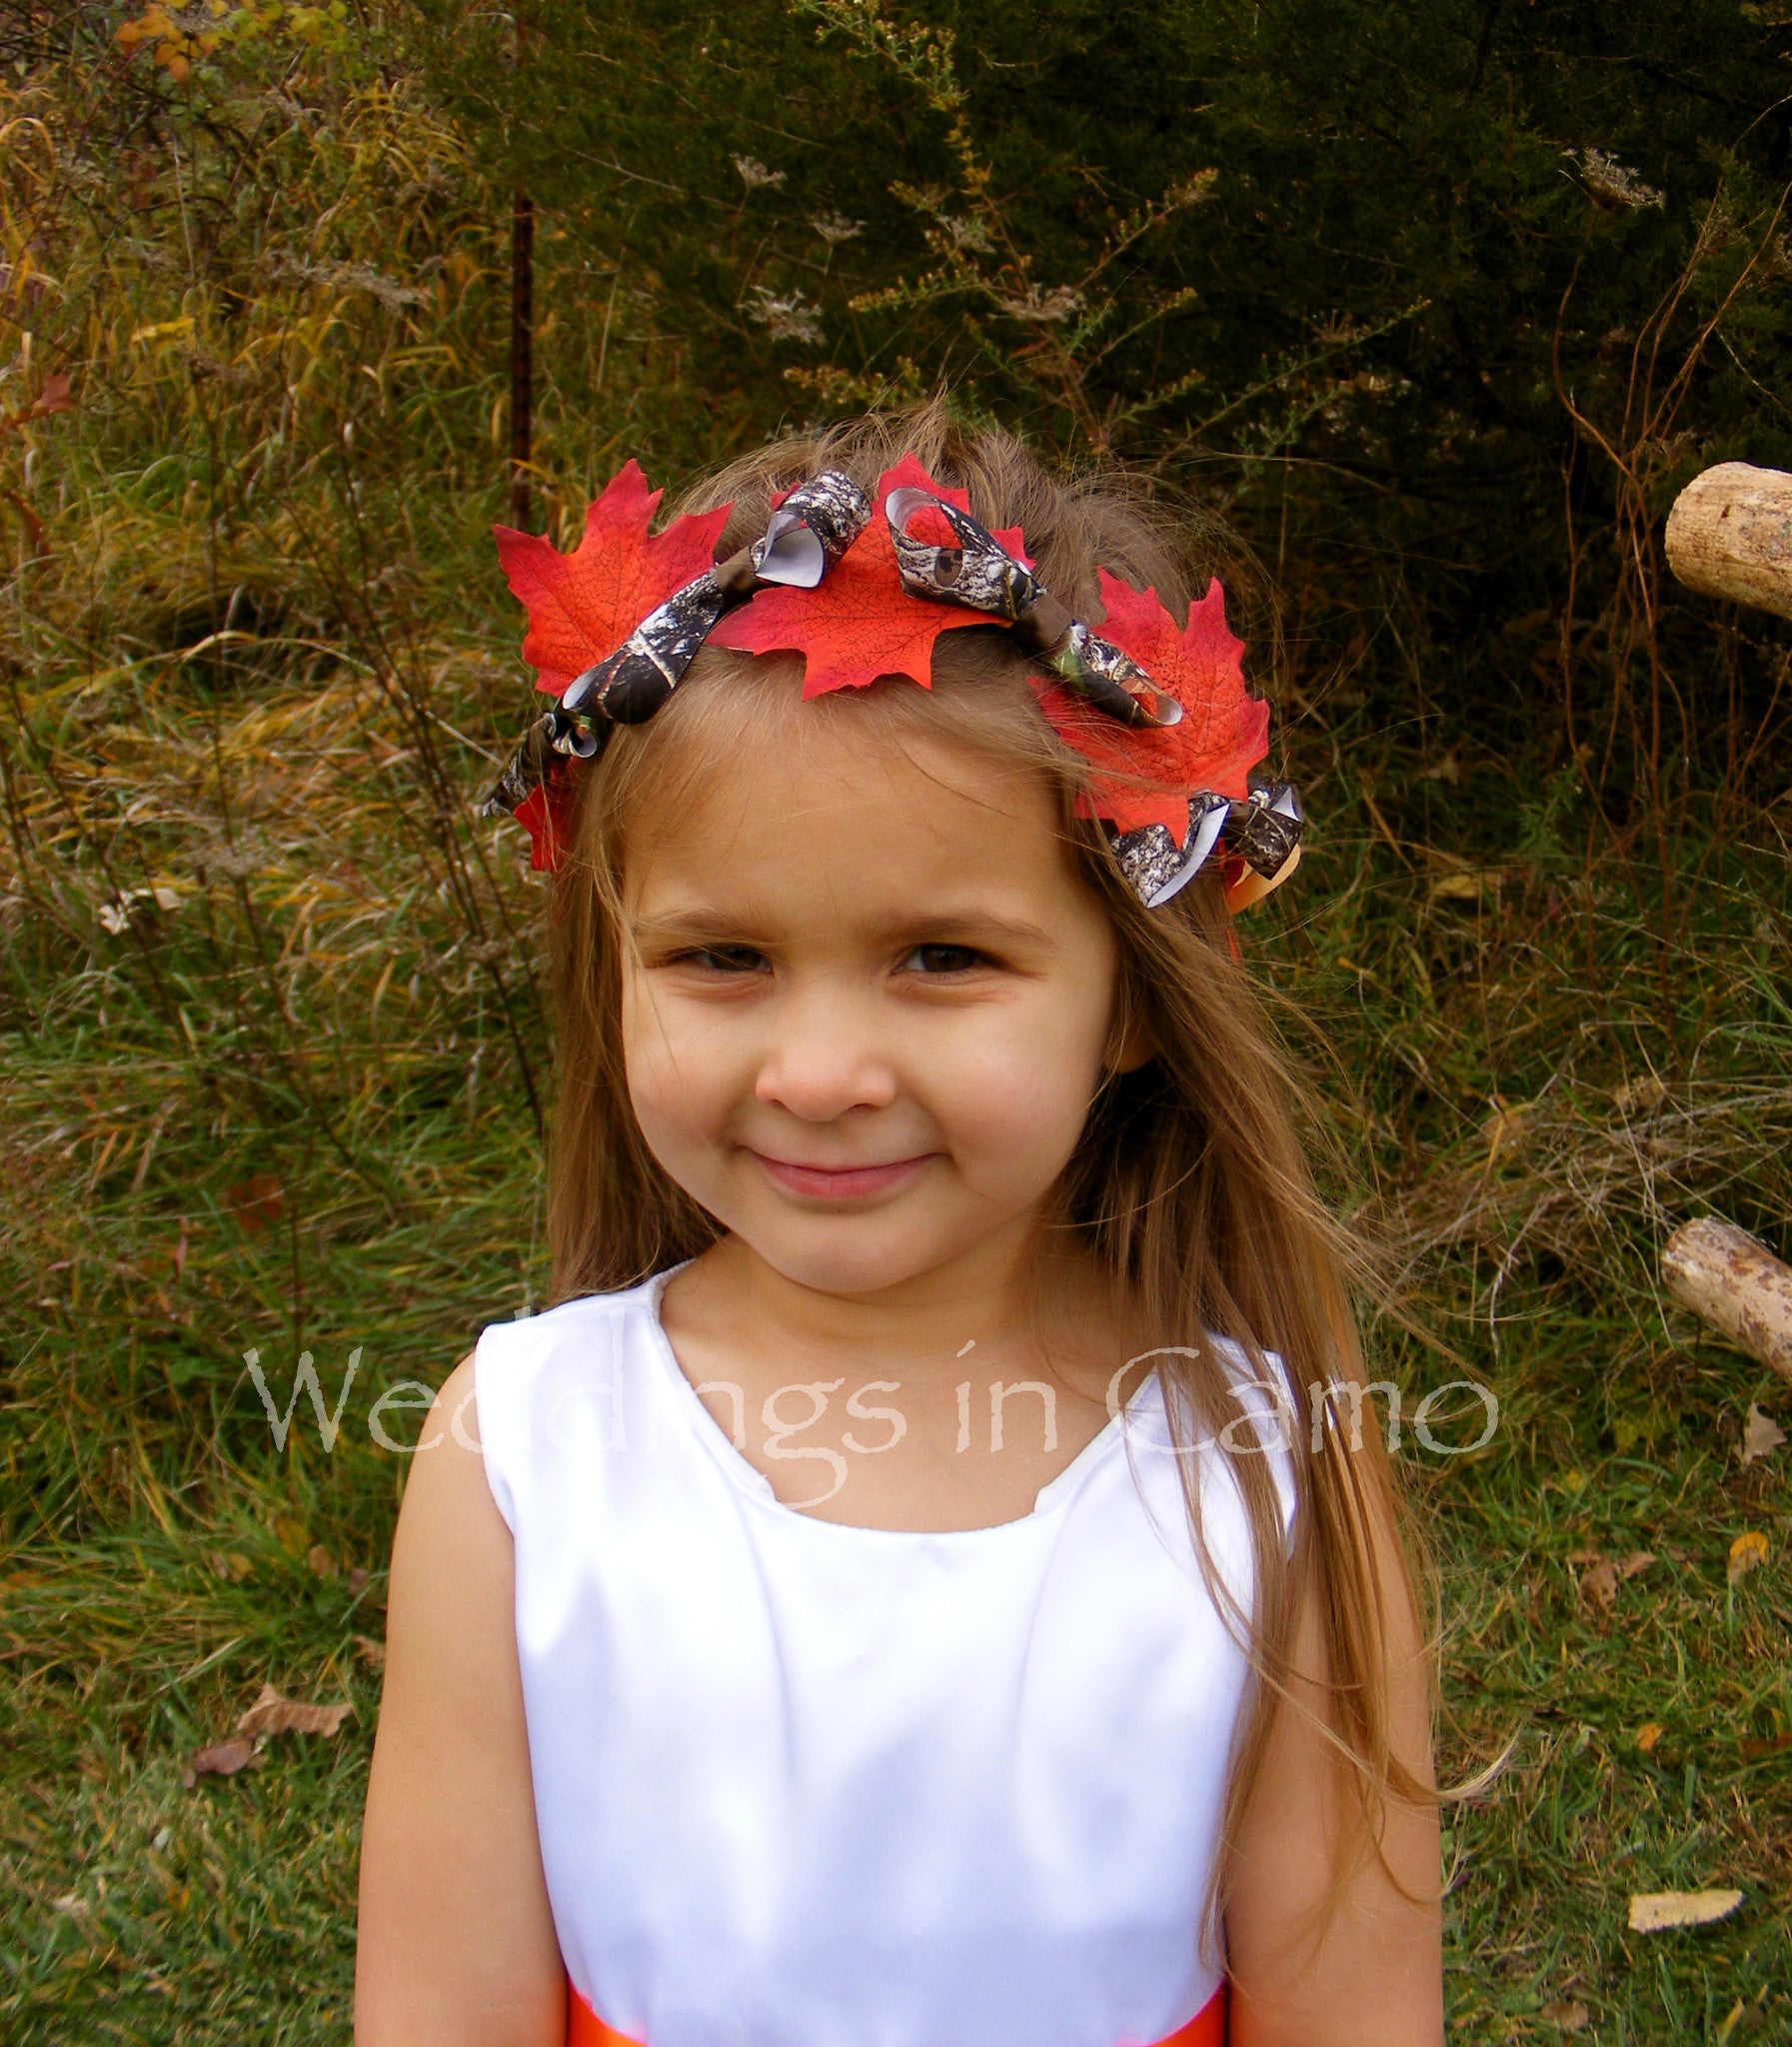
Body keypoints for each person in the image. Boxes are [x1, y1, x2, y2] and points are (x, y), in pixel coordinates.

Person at [354, 405, 1443, 2047]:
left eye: (942, 959)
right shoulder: (519, 1459)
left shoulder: (1270, 1474)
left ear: (1132, 1002)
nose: (819, 1074)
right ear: (615, 962)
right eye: (721, 959)